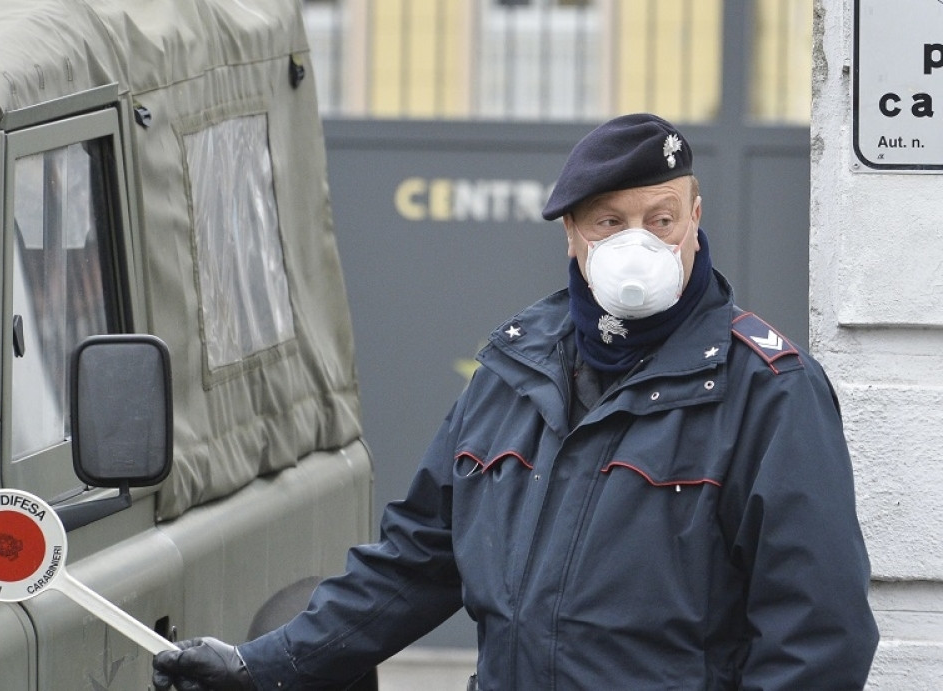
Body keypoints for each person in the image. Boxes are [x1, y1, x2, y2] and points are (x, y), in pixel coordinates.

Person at [152, 113, 879, 690]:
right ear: (571, 234)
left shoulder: (768, 391)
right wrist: (266, 665)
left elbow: (818, 635)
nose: (640, 243)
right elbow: (419, 560)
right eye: (609, 221)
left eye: (661, 218)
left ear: (695, 216)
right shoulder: (515, 366)